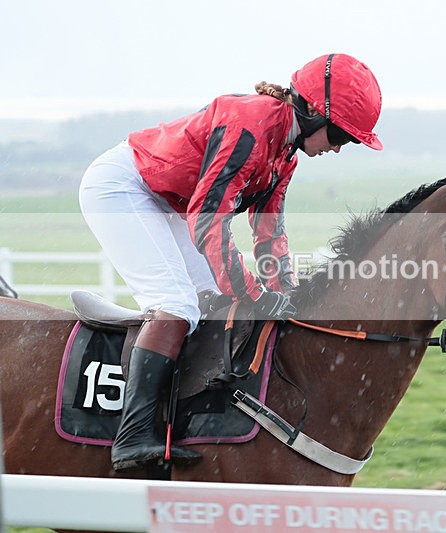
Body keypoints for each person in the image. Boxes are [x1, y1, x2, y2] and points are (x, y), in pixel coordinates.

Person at [79, 53, 383, 472]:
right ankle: (132, 437)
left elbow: (269, 233)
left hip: (170, 201)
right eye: (341, 136)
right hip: (124, 187)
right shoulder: (251, 123)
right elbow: (208, 220)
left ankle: (181, 420)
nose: (338, 147)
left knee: (213, 299)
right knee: (180, 303)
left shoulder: (286, 154)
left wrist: (286, 293)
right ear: (313, 111)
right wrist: (255, 293)